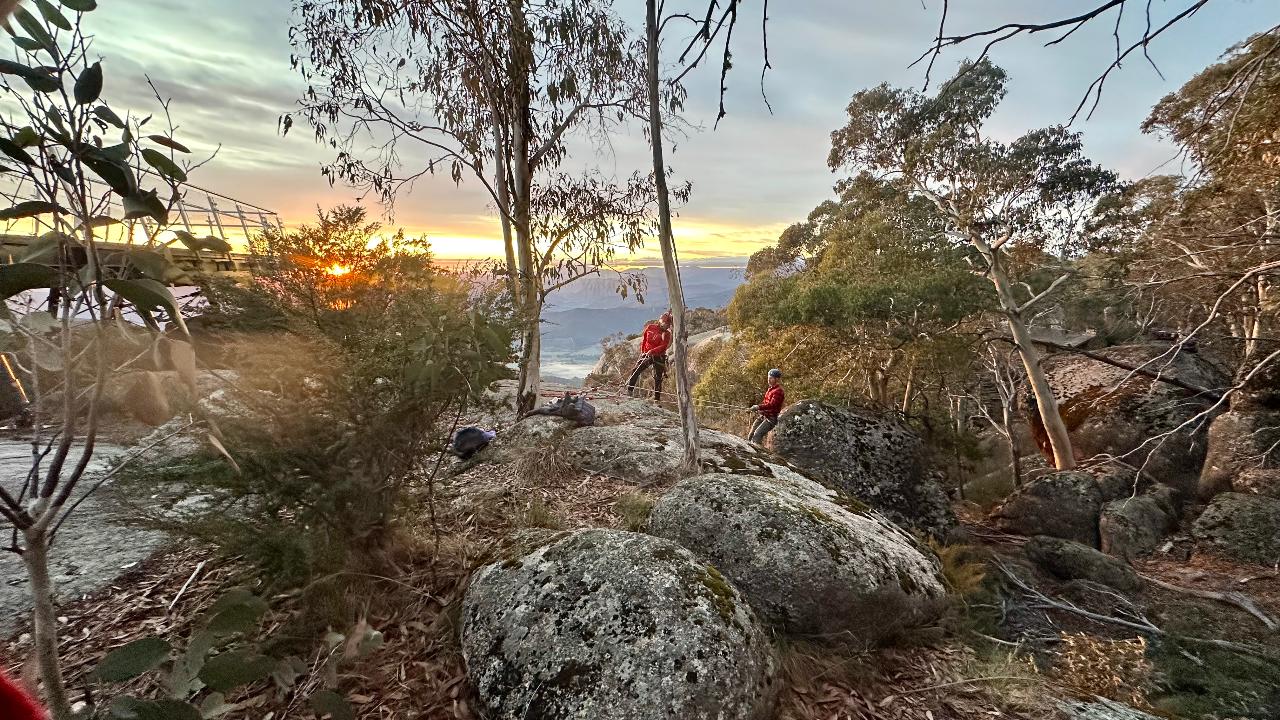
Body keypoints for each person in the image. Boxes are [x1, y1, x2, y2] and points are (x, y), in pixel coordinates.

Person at [626, 310, 672, 400]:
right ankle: (629, 391)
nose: (665, 326)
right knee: (636, 370)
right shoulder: (650, 327)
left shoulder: (667, 333)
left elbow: (663, 346)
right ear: (660, 321)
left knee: (658, 378)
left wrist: (652, 351)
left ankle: (656, 399)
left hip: (659, 356)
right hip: (647, 354)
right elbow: (644, 340)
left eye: (667, 325)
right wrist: (643, 351)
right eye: (664, 324)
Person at [748, 368, 785, 444]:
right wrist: (760, 410)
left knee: (757, 435)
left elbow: (772, 404)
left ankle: (757, 454)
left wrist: (758, 407)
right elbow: (765, 403)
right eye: (768, 378)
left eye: (771, 378)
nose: (769, 380)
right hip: (763, 415)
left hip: (771, 418)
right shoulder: (770, 389)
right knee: (751, 435)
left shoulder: (778, 391)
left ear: (777, 379)